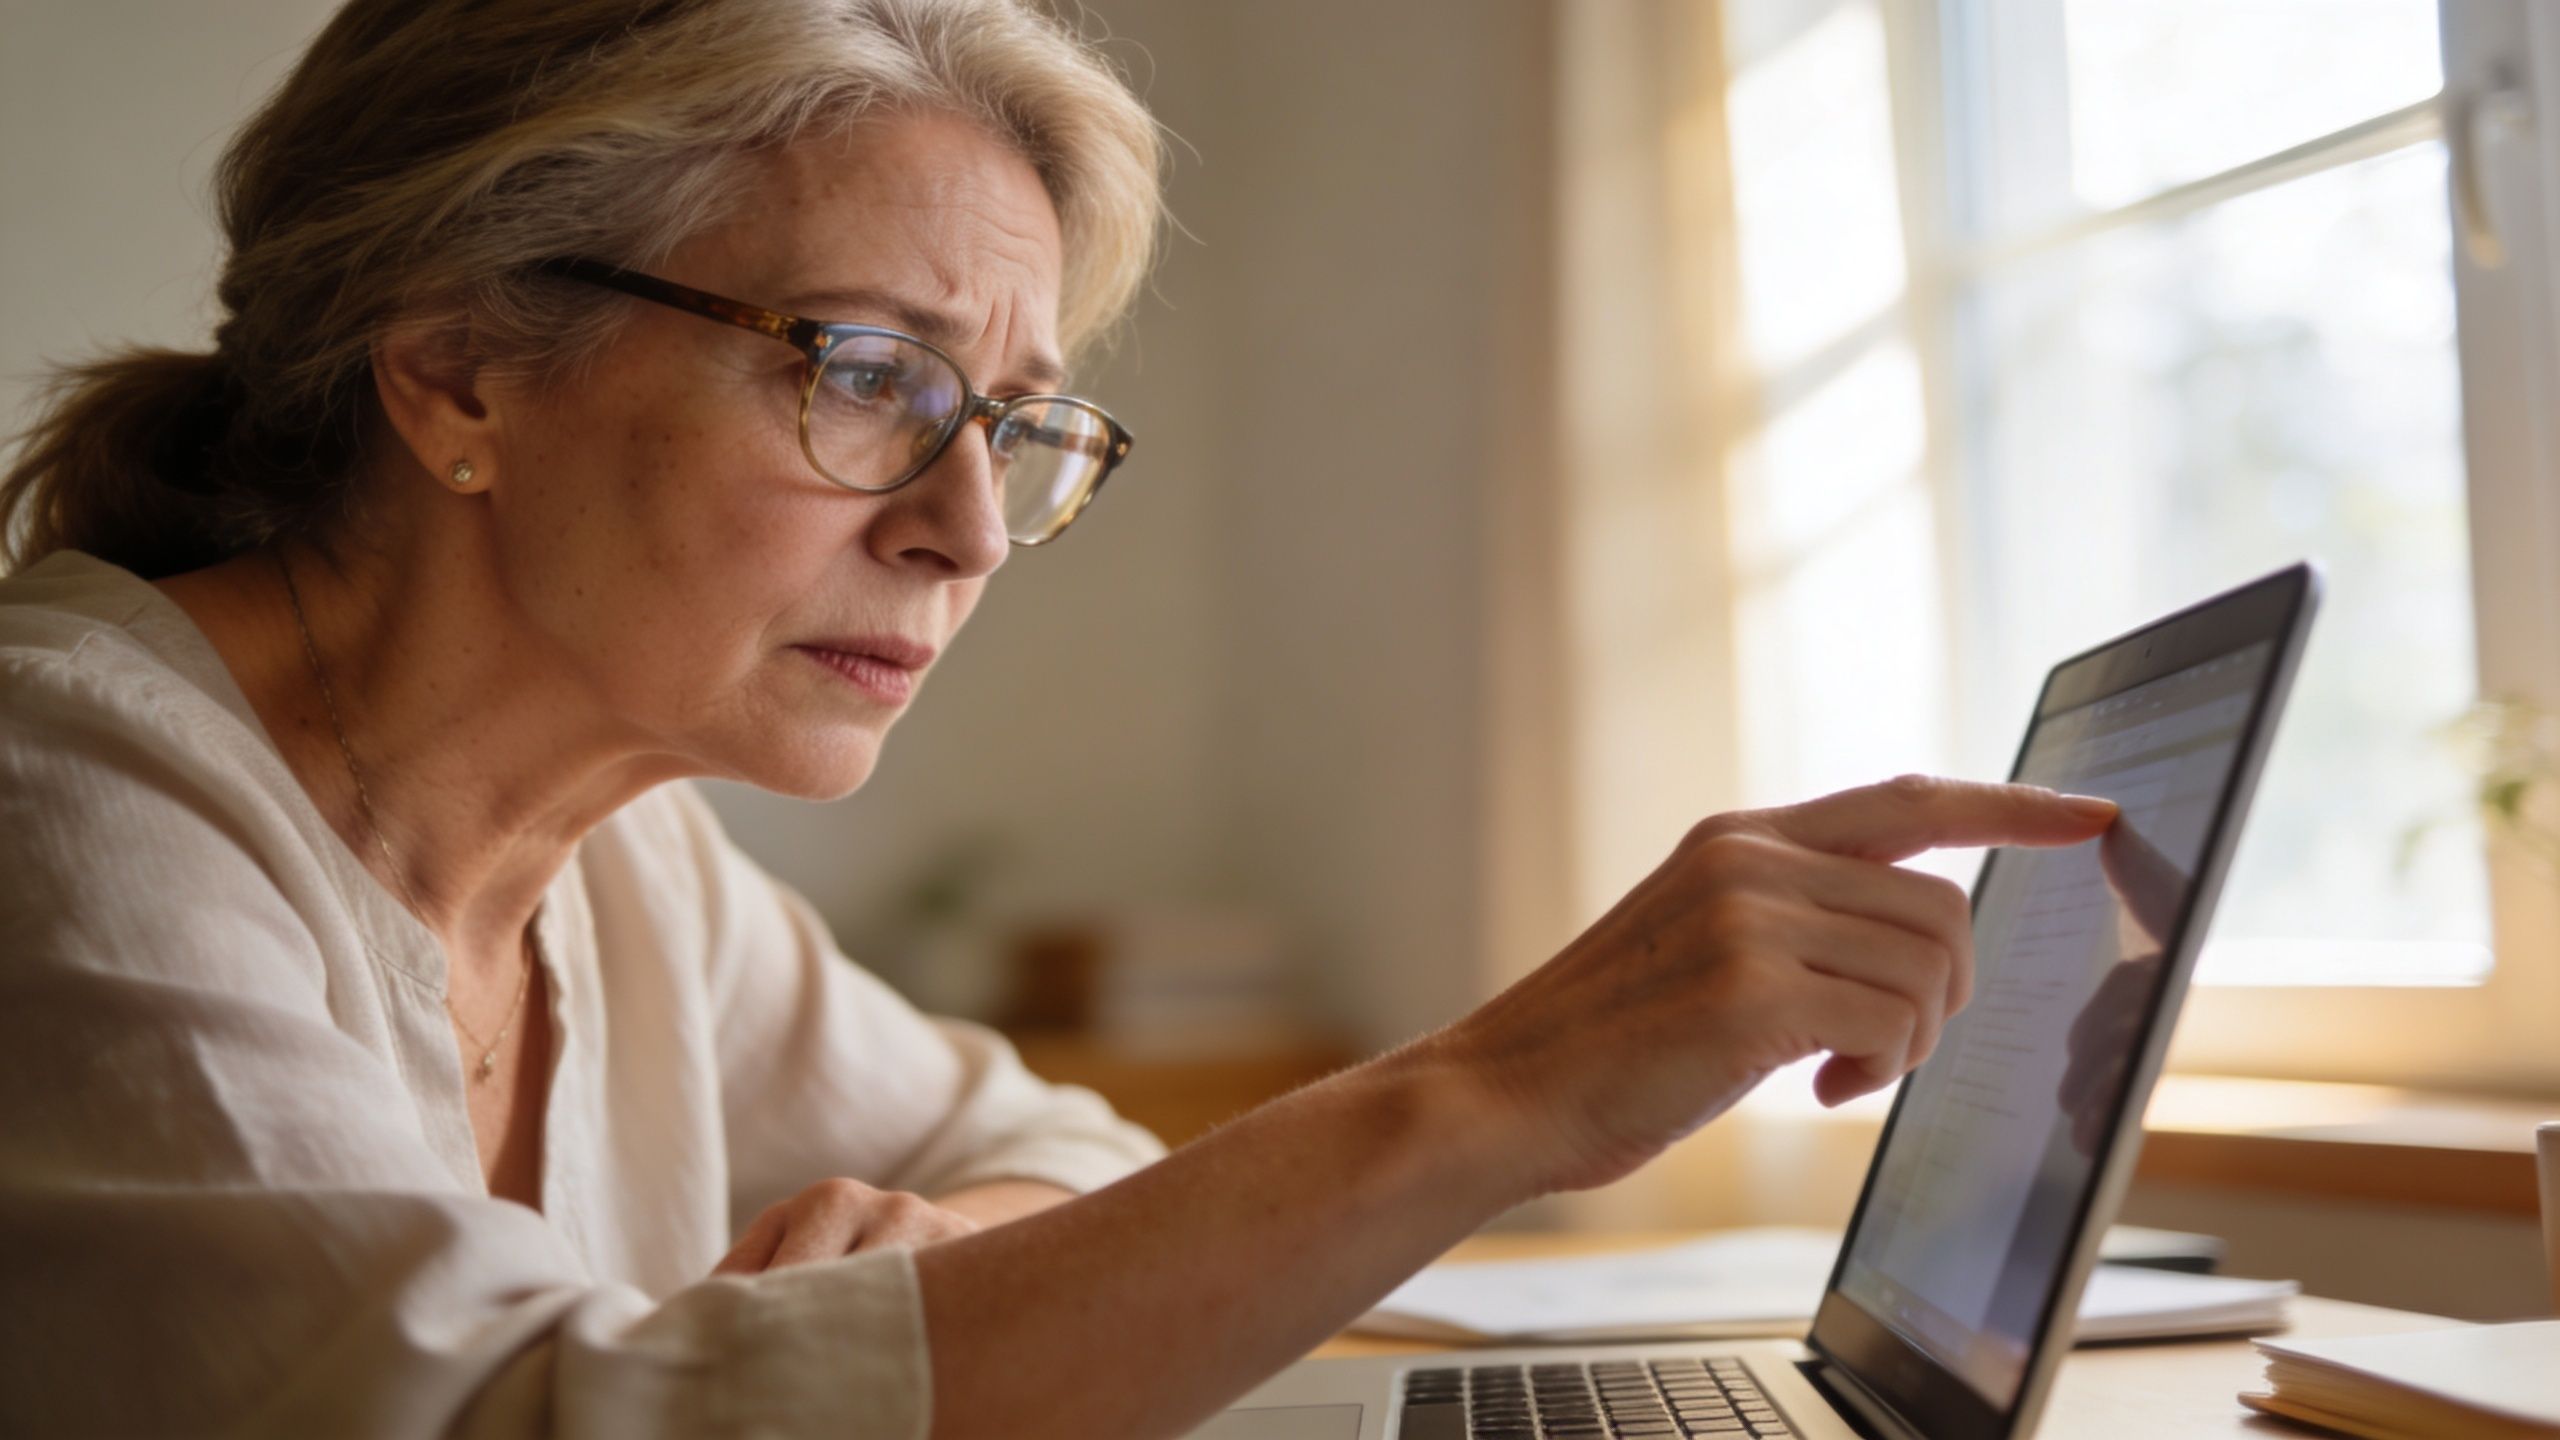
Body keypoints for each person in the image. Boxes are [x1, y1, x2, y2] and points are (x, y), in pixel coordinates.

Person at [0, 1, 2118, 1435]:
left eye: (1006, 423)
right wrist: (1498, 1090)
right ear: (459, 367)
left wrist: (944, 1253)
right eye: (860, 369)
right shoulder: (68, 798)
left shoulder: (618, 861)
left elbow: (1050, 1154)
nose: (965, 529)